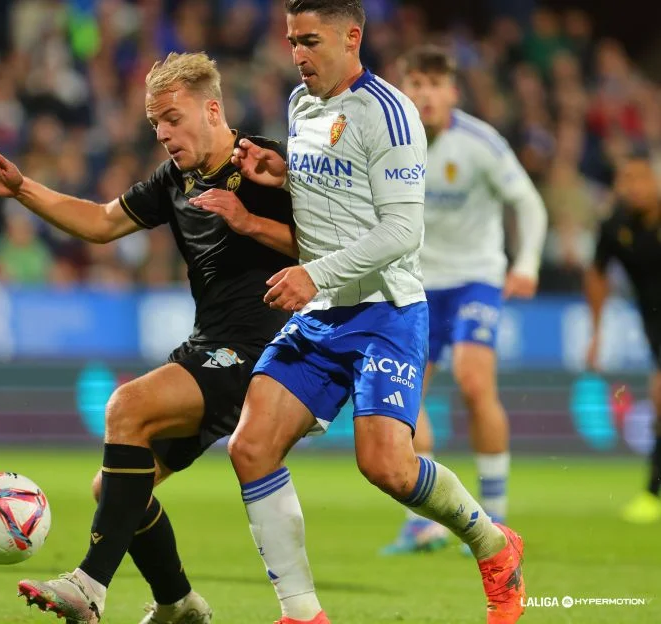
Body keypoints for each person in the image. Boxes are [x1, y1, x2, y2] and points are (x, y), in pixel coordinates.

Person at [0, 52, 297, 623]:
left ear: (212, 109)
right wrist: (22, 190)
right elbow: (101, 222)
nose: (163, 133)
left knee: (126, 406)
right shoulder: (176, 180)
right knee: (110, 488)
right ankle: (179, 604)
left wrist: (250, 221)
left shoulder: (267, 163)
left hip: (262, 348)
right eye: (155, 123)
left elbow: (327, 250)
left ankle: (88, 587)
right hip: (210, 342)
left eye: (173, 117)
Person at [226, 2, 526, 623]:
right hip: (325, 311)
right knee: (250, 446)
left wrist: (312, 272)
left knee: (386, 465)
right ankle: (301, 613)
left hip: (385, 311)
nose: (298, 54)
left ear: (351, 38)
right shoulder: (301, 105)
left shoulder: (390, 112)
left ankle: (493, 544)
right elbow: (334, 194)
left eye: (310, 41)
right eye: (291, 41)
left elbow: (400, 231)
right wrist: (284, 176)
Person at [381, 44, 548, 555]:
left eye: (435, 84)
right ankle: (422, 523)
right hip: (413, 282)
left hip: (475, 278)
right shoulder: (386, 141)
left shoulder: (482, 142)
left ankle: (495, 516)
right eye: (416, 83)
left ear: (452, 92)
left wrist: (526, 264)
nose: (425, 94)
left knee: (476, 385)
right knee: (406, 399)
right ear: (403, 89)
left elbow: (529, 202)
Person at [586, 151, 661, 524]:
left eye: (640, 178)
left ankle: (652, 492)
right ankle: (652, 493)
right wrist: (596, 332)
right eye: (625, 179)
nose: (633, 187)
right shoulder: (615, 227)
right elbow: (596, 273)